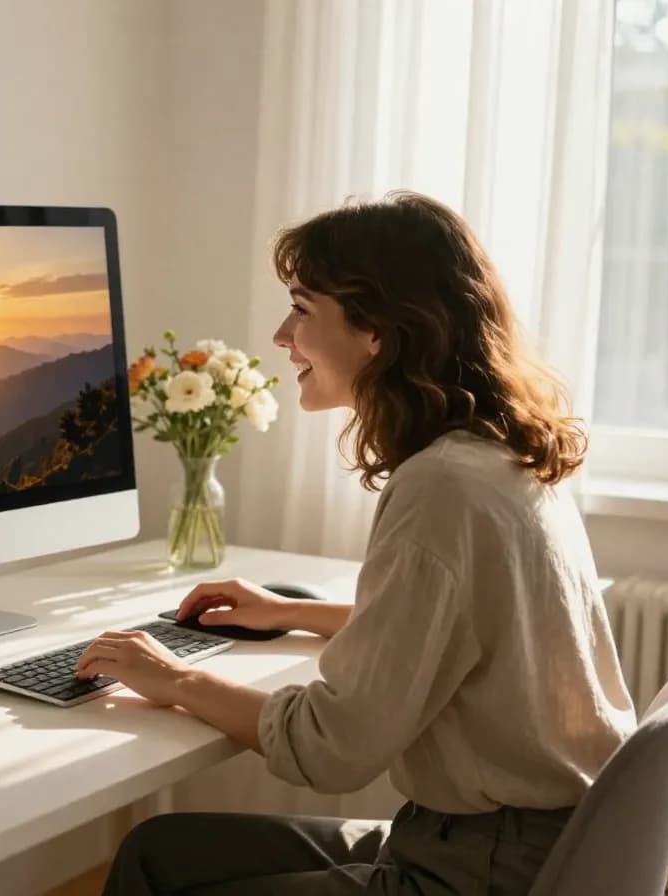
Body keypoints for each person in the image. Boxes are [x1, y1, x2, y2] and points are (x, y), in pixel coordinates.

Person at [74, 190, 637, 895]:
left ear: (377, 330)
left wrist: (174, 678)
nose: (282, 335)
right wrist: (290, 611)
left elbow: (330, 745)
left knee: (160, 871)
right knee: (157, 854)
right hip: (525, 843)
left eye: (302, 309)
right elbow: (460, 630)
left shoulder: (442, 489)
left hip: (482, 871)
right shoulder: (494, 454)